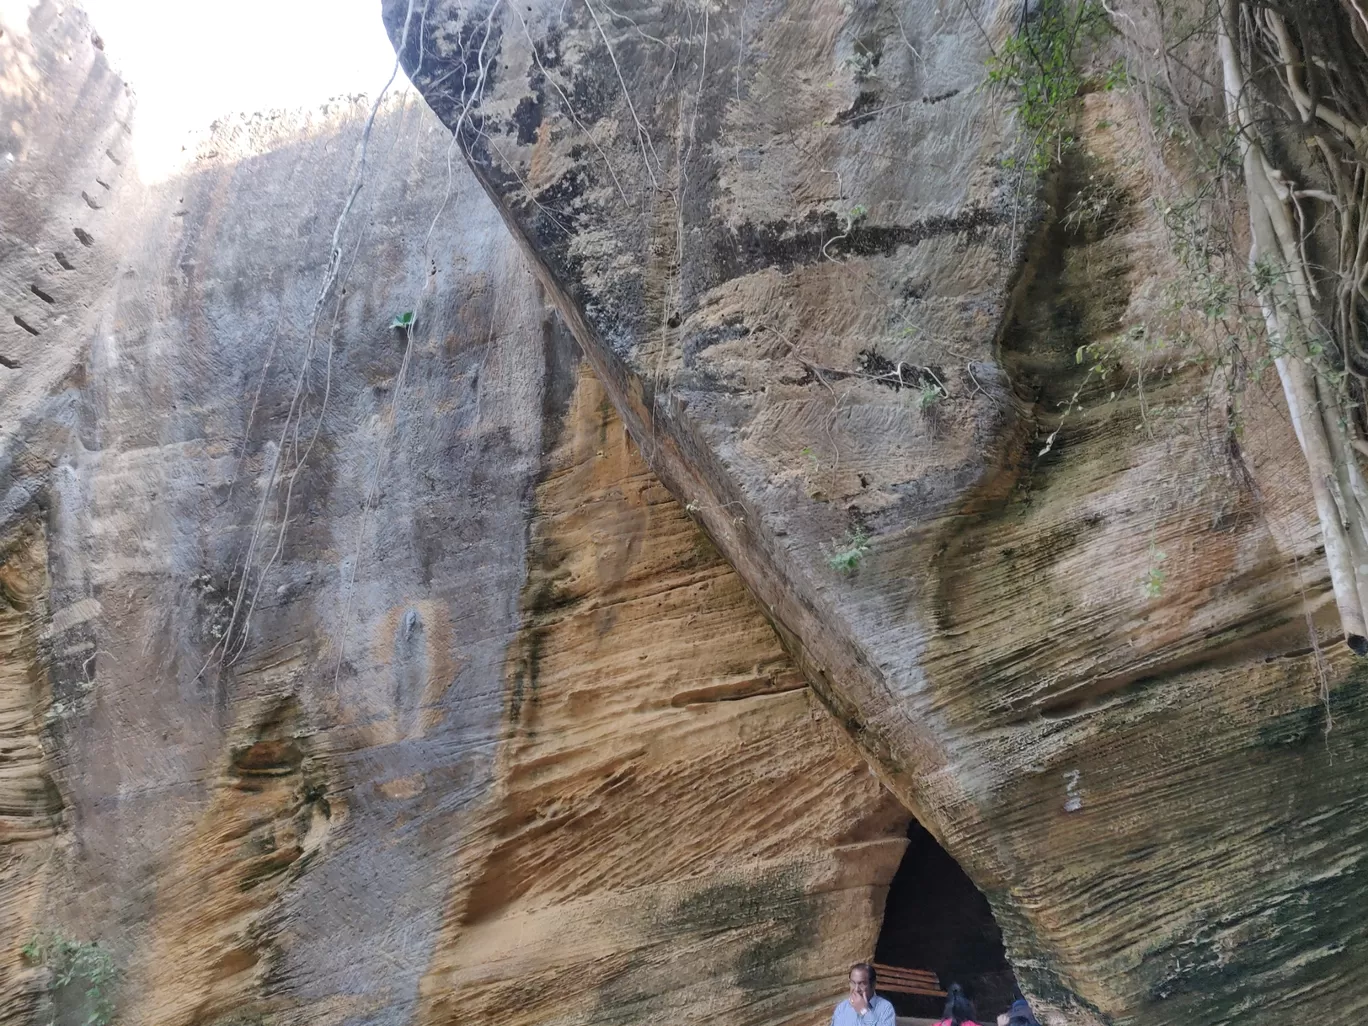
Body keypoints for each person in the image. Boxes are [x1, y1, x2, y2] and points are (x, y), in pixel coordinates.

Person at [830, 963, 896, 1026]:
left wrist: (864, 1012)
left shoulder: (885, 1008)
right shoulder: (842, 1007)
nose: (856, 989)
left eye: (861, 983)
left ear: (873, 985)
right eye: (853, 983)